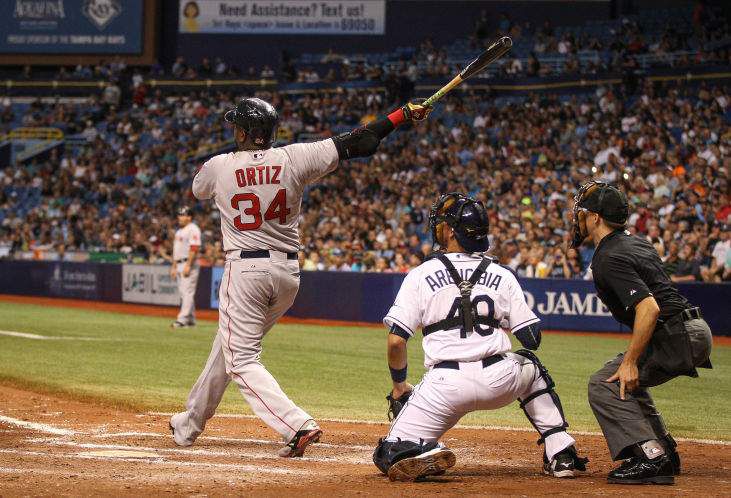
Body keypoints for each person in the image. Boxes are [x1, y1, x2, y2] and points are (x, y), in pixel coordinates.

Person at [169, 97, 432, 458]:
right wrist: (402, 115)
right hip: (287, 274)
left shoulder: (218, 166)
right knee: (227, 348)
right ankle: (189, 423)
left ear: (244, 132)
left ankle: (296, 425)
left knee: (241, 357)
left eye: (237, 126)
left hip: (246, 270)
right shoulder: (294, 157)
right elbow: (361, 140)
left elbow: (197, 190)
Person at [373, 193, 587, 481]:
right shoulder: (503, 274)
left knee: (389, 454)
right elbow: (531, 338)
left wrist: (399, 386)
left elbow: (397, 340)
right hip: (499, 379)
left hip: (445, 386)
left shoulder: (421, 274)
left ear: (449, 231)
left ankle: (424, 449)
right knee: (531, 366)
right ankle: (561, 453)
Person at [569, 181, 713, 485]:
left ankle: (651, 456)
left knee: (603, 384)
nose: (579, 218)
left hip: (677, 333)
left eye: (583, 212)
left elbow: (649, 309)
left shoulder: (608, 256)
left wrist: (631, 360)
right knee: (623, 380)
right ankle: (665, 452)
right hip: (690, 329)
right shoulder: (636, 242)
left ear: (596, 218)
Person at [170, 206, 202, 328]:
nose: (180, 217)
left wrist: (188, 265)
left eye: (183, 215)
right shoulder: (179, 231)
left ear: (190, 217)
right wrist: (173, 266)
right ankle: (190, 319)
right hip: (179, 263)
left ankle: (182, 319)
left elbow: (194, 247)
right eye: (179, 214)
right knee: (184, 293)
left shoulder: (193, 229)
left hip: (189, 264)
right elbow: (175, 250)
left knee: (187, 292)